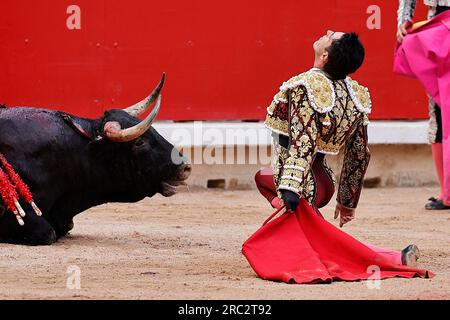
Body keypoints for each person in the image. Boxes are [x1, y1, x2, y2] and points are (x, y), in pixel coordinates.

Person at [243, 30, 433, 284]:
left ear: (324, 56)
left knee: (318, 245)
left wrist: (290, 187)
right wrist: (346, 202)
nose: (326, 32)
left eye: (331, 36)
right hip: (325, 183)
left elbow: (303, 142)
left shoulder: (305, 87)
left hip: (302, 185)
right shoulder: (355, 95)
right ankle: (394, 256)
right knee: (263, 178)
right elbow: (358, 154)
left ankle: (388, 258)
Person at [397, 0, 450, 209]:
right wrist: (403, 21)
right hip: (436, 22)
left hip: (437, 25)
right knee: (438, 108)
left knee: (440, 108)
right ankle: (446, 190)